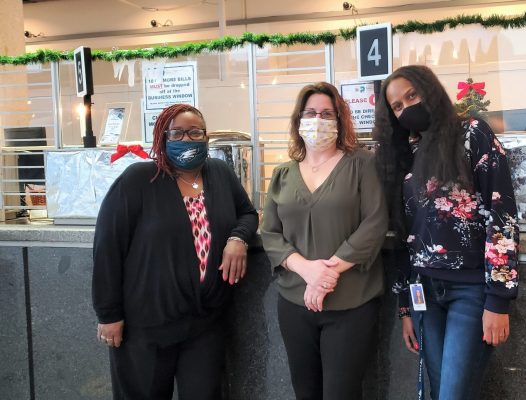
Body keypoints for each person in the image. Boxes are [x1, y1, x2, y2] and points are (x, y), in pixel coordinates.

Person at [92, 103, 258, 400]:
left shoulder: (219, 173)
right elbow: (107, 247)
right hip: (146, 327)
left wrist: (238, 238)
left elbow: (247, 213)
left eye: (196, 132)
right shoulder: (138, 180)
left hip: (204, 324)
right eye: (178, 132)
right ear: (162, 137)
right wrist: (108, 314)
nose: (188, 139)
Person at [373, 65, 520, 400]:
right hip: (424, 291)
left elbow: (502, 215)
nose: (406, 107)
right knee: (438, 390)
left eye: (412, 95)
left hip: (471, 291)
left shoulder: (472, 134)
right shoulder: (404, 155)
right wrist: (406, 307)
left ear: (430, 89)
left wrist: (499, 299)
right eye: (397, 106)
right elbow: (403, 236)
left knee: (452, 393)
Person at [261, 82, 388, 400]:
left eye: (327, 113)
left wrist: (326, 274)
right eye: (311, 113)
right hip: (294, 302)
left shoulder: (361, 164)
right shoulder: (283, 174)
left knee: (340, 394)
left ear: (340, 120)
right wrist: (307, 271)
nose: (318, 119)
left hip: (351, 303)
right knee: (305, 392)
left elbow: (375, 223)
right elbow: (270, 232)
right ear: (299, 120)